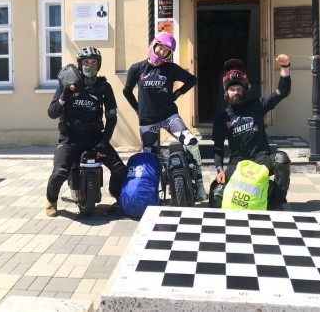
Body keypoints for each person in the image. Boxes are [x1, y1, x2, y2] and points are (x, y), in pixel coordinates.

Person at [123, 31, 208, 201]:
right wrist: (138, 109)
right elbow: (127, 91)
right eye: (160, 48)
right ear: (153, 45)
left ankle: (199, 184)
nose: (162, 52)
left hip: (169, 117)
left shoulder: (171, 68)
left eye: (166, 51)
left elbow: (192, 80)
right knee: (150, 157)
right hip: (147, 120)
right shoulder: (136, 68)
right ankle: (151, 191)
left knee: (192, 143)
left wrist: (177, 93)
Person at [45, 47, 127, 217]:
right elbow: (52, 113)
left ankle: (115, 193)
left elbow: (111, 118)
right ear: (80, 64)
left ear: (99, 65)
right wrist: (64, 96)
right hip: (70, 140)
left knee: (119, 169)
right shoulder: (68, 85)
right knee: (59, 173)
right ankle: (51, 200)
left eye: (93, 62)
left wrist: (104, 141)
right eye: (86, 62)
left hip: (94, 139)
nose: (90, 65)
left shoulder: (104, 87)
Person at [212, 55, 292, 210]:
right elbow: (218, 148)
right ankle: (265, 189)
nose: (235, 92)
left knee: (281, 159)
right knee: (216, 198)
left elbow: (282, 92)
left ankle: (276, 199)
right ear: (226, 92)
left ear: (244, 90)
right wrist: (219, 169)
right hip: (237, 163)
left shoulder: (257, 105)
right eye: (232, 89)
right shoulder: (222, 118)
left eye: (239, 89)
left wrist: (285, 67)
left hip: (260, 159)